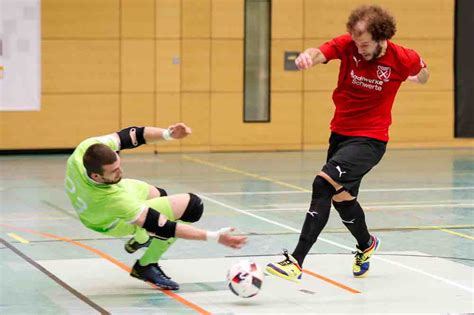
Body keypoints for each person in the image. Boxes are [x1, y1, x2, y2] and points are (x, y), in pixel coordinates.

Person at [266, 5, 429, 281]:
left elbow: (424, 72)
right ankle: (366, 244)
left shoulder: (403, 57)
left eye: (365, 44)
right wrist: (309, 56)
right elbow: (322, 52)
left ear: (381, 38)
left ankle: (296, 261)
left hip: (371, 139)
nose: (360, 49)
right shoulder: (348, 46)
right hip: (341, 134)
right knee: (342, 199)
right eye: (356, 42)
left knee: (322, 183)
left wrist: (417, 76)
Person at [65, 123, 247, 290]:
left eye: (119, 165)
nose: (121, 171)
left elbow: (130, 135)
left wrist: (168, 134)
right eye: (114, 171)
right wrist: (215, 237)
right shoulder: (113, 200)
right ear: (96, 176)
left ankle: (141, 238)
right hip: (110, 221)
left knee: (161, 196)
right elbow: (165, 226)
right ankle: (145, 265)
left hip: (108, 194)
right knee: (192, 206)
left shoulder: (86, 150)